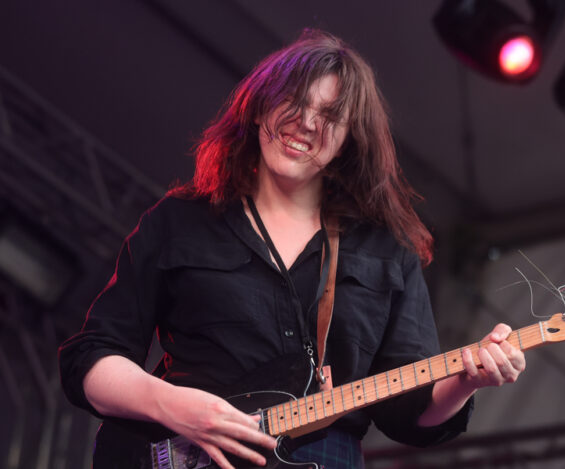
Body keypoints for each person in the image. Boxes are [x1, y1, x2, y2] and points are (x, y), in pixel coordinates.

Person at [59, 29, 526, 468]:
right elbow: (90, 361)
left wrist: (467, 380)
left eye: (330, 117)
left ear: (347, 141)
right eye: (295, 102)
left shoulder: (387, 250)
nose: (305, 123)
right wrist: (174, 406)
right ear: (258, 108)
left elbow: (408, 415)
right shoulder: (180, 221)